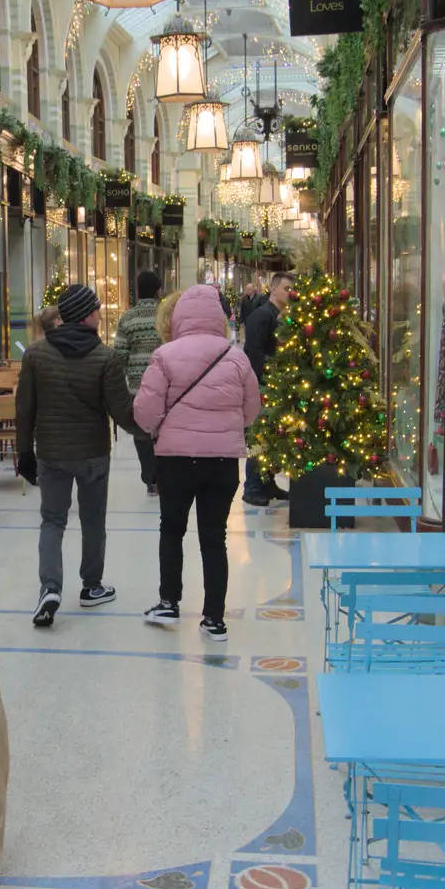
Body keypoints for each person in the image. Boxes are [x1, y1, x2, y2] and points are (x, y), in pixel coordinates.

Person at [134, 285, 259, 641]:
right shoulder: (235, 357)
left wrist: (162, 426)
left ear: (179, 317)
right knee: (214, 538)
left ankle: (169, 602)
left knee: (172, 530)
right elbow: (252, 410)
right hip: (221, 462)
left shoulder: (165, 355)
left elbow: (144, 413)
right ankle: (214, 619)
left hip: (176, 460)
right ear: (219, 318)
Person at [15, 283, 141, 627]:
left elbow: (24, 409)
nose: (101, 314)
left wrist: (24, 452)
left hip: (51, 453)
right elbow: (122, 412)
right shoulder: (106, 357)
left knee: (52, 521)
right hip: (93, 455)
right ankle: (91, 587)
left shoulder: (36, 355)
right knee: (93, 521)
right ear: (86, 314)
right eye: (97, 309)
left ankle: (50, 588)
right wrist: (153, 432)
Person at [242, 272, 295, 506]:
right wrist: (269, 381)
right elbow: (255, 355)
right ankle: (253, 485)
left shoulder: (280, 316)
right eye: (286, 289)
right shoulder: (261, 317)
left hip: (275, 387)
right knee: (260, 436)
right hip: (262, 387)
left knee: (272, 437)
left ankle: (267, 481)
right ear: (273, 290)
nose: (290, 294)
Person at [113, 270, 165, 496]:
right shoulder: (167, 316)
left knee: (142, 433)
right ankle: (165, 477)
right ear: (158, 291)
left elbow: (119, 356)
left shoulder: (127, 318)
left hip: (138, 386)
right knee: (166, 431)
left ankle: (150, 480)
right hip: (166, 385)